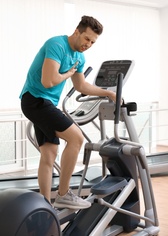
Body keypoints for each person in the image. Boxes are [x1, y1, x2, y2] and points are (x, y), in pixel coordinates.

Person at [20, 15, 117, 210]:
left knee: (49, 154)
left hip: (46, 104)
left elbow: (81, 86)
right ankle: (64, 194)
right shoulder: (57, 44)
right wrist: (67, 74)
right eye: (87, 39)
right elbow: (48, 81)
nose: (88, 44)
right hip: (35, 99)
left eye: (92, 42)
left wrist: (108, 93)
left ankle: (45, 205)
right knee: (76, 138)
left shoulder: (80, 57)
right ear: (77, 32)